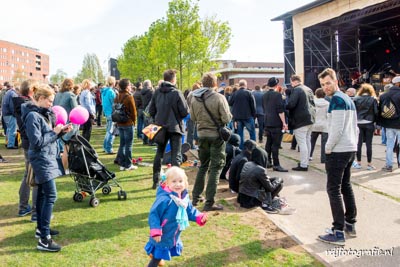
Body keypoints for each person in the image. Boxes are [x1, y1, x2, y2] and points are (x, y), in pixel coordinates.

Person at [22, 83, 72, 252]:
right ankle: (44, 239)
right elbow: (37, 143)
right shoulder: (32, 116)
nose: (52, 104)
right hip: (41, 159)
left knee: (44, 195)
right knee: (51, 195)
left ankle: (41, 229)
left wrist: (61, 132)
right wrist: (55, 132)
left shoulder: (41, 114)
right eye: (50, 101)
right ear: (41, 98)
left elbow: (46, 138)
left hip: (47, 158)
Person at [317, 68, 358, 246]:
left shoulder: (337, 100)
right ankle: (350, 223)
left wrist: (328, 148)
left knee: (333, 189)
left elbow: (337, 129)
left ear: (336, 80)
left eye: (328, 83)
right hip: (349, 149)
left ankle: (338, 231)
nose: (325, 87)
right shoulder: (348, 98)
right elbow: (354, 127)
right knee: (346, 186)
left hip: (339, 150)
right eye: (322, 84)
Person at [144, 167, 208, 267]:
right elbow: (154, 214)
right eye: (174, 181)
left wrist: (199, 216)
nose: (178, 184)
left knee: (162, 251)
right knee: (158, 254)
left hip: (173, 232)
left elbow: (189, 210)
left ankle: (157, 256)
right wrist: (156, 230)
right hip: (163, 233)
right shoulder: (165, 199)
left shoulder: (184, 197)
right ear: (167, 183)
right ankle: (155, 259)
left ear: (185, 183)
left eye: (180, 181)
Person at [188, 72, 232, 211]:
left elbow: (193, 118)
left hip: (202, 135)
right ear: (214, 84)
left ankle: (196, 196)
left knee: (203, 166)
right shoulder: (219, 97)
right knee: (216, 167)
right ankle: (209, 202)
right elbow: (226, 119)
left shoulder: (195, 99)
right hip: (216, 136)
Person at [149, 69, 189, 189]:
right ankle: (175, 183)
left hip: (161, 126)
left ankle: (156, 181)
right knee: (175, 155)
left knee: (159, 153)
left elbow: (151, 110)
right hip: (174, 127)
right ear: (173, 79)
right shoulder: (176, 93)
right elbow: (185, 111)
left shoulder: (157, 92)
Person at [13, 79, 39, 220]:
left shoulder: (21, 103)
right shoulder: (26, 105)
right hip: (30, 143)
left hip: (27, 142)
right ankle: (34, 212)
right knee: (34, 178)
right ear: (31, 90)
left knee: (27, 175)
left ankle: (23, 207)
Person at [238, 146, 284, 214]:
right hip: (251, 200)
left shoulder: (247, 163)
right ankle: (265, 204)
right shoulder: (260, 169)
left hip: (242, 197)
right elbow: (270, 188)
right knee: (280, 184)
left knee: (271, 180)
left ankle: (267, 200)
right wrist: (279, 179)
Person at [286, 75, 316, 171]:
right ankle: (306, 161)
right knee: (307, 140)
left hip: (300, 120)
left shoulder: (297, 90)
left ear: (293, 81)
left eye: (291, 82)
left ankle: (303, 165)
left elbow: (291, 104)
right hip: (310, 118)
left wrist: (284, 104)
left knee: (302, 143)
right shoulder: (309, 89)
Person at [263, 77, 288, 172]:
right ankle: (276, 164)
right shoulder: (277, 95)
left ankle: (267, 161)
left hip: (267, 122)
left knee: (268, 143)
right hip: (276, 122)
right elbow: (280, 111)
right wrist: (284, 123)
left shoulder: (264, 95)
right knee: (275, 145)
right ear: (277, 86)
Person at [54, 78, 79, 173]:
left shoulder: (57, 95)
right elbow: (76, 110)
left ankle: (65, 167)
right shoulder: (71, 95)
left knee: (63, 148)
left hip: (59, 124)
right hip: (69, 125)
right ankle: (66, 168)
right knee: (67, 149)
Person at [352, 83, 378, 170]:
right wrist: (375, 122)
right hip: (369, 122)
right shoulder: (373, 99)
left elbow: (353, 112)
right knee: (369, 144)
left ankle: (358, 163)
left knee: (358, 143)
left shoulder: (355, 99)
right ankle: (369, 164)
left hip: (358, 123)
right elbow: (376, 112)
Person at [378, 76, 400, 172]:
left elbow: (380, 110)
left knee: (389, 145)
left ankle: (389, 165)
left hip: (388, 124)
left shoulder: (383, 96)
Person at [115, 79, 138, 171]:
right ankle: (128, 164)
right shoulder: (129, 97)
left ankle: (122, 163)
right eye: (129, 85)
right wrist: (134, 122)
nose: (130, 86)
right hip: (128, 123)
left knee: (122, 144)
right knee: (128, 145)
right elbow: (133, 112)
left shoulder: (117, 96)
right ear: (127, 86)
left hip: (120, 122)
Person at [228, 79, 256, 149]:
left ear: (239, 85)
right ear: (245, 85)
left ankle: (241, 149)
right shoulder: (249, 93)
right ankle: (252, 147)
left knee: (240, 134)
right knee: (252, 133)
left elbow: (230, 103)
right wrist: (254, 115)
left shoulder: (235, 93)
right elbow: (253, 105)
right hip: (248, 116)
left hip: (237, 117)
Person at [310, 88, 330, 164]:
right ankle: (323, 159)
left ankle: (309, 156)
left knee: (311, 141)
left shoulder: (312, 103)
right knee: (324, 143)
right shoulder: (327, 104)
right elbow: (328, 115)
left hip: (314, 124)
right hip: (324, 125)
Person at [101, 76, 117, 154]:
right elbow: (114, 103)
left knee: (108, 131)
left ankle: (105, 146)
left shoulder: (104, 91)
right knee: (111, 131)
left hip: (107, 112)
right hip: (111, 113)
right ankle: (108, 148)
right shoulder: (111, 91)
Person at [2, 81, 18, 149]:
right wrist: (15, 114)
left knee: (8, 129)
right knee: (12, 130)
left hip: (5, 113)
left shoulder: (6, 93)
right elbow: (12, 105)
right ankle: (10, 145)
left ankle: (7, 143)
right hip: (10, 113)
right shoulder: (12, 93)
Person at [141, 80, 154, 145]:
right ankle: (151, 141)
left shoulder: (142, 92)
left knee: (146, 125)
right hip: (149, 109)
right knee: (151, 126)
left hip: (144, 109)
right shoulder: (151, 92)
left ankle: (145, 140)